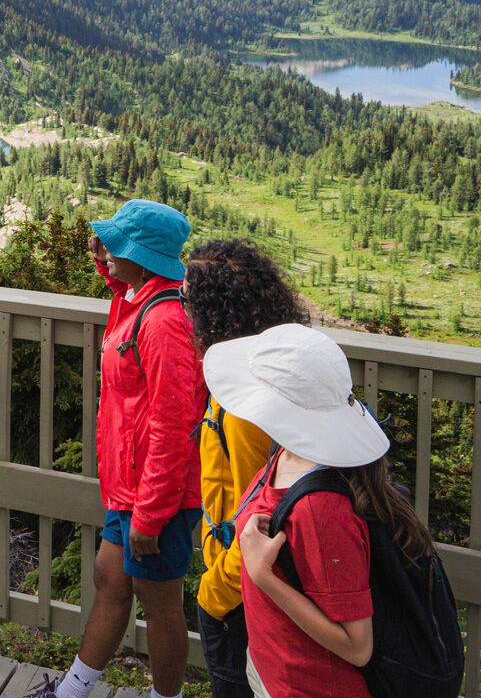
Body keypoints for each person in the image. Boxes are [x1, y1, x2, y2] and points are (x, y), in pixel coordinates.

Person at [29, 199, 203, 698]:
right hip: (129, 484)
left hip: (158, 494)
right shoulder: (140, 299)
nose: (106, 255)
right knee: (110, 577)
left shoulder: (165, 322)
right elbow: (124, 290)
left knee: (160, 604)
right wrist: (102, 259)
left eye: (115, 246)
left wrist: (151, 516)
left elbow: (175, 427)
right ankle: (71, 692)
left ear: (141, 255)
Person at [203, 324, 425, 698]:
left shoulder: (323, 508)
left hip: (311, 687)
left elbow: (357, 647)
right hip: (274, 670)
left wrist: (262, 575)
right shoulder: (289, 452)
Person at [184, 240, 313, 698]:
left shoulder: (243, 408)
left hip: (241, 593)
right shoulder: (272, 374)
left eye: (186, 299)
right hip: (254, 587)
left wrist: (214, 593)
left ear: (212, 314)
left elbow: (263, 511)